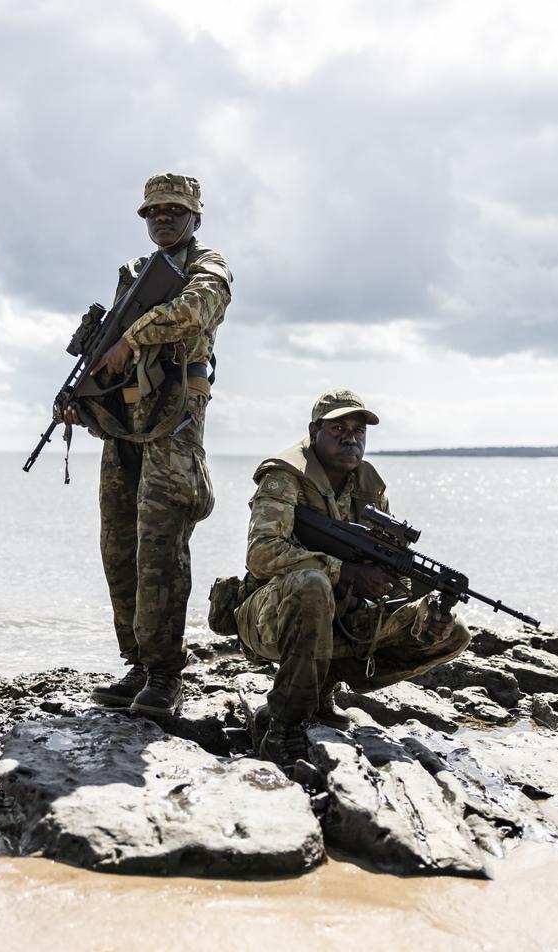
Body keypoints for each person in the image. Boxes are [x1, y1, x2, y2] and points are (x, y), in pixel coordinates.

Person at [235, 389, 470, 767]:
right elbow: (260, 554)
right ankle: (282, 726)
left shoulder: (369, 484)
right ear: (315, 431)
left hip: (341, 618)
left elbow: (393, 575)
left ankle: (321, 691)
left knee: (454, 631)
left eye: (359, 430)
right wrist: (345, 571)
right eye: (338, 428)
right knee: (312, 583)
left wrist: (422, 606)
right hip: (270, 616)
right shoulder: (285, 476)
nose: (351, 437)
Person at [76, 173, 232, 716]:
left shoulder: (207, 268)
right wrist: (83, 398)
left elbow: (194, 312)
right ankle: (137, 665)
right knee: (118, 549)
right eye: (152, 212)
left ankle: (166, 677)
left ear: (195, 216)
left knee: (160, 552)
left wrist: (130, 340)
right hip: (125, 430)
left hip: (173, 429)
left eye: (173, 209)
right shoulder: (139, 276)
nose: (161, 218)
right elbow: (110, 359)